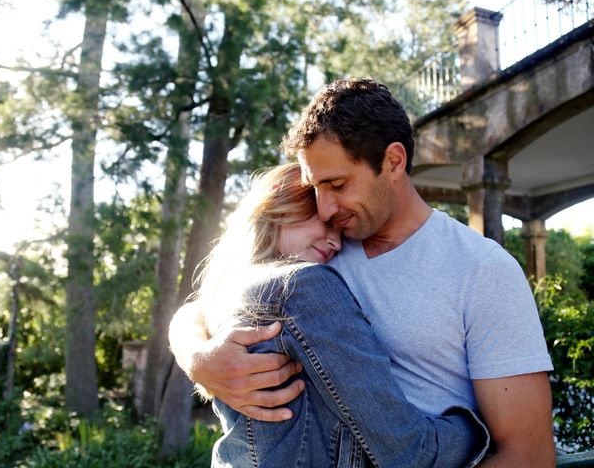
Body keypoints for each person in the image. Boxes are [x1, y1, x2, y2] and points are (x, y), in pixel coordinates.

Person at [169, 79, 555, 466]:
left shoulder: (482, 270)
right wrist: (198, 358)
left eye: (336, 185)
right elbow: (202, 308)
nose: (323, 209)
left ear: (393, 162)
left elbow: (528, 455)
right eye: (315, 188)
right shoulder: (315, 250)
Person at [186, 162, 489, 467]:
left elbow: (191, 313)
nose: (337, 242)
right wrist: (478, 426)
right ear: (281, 204)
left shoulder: (225, 291)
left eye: (339, 228)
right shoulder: (304, 285)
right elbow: (410, 452)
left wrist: (195, 356)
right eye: (325, 222)